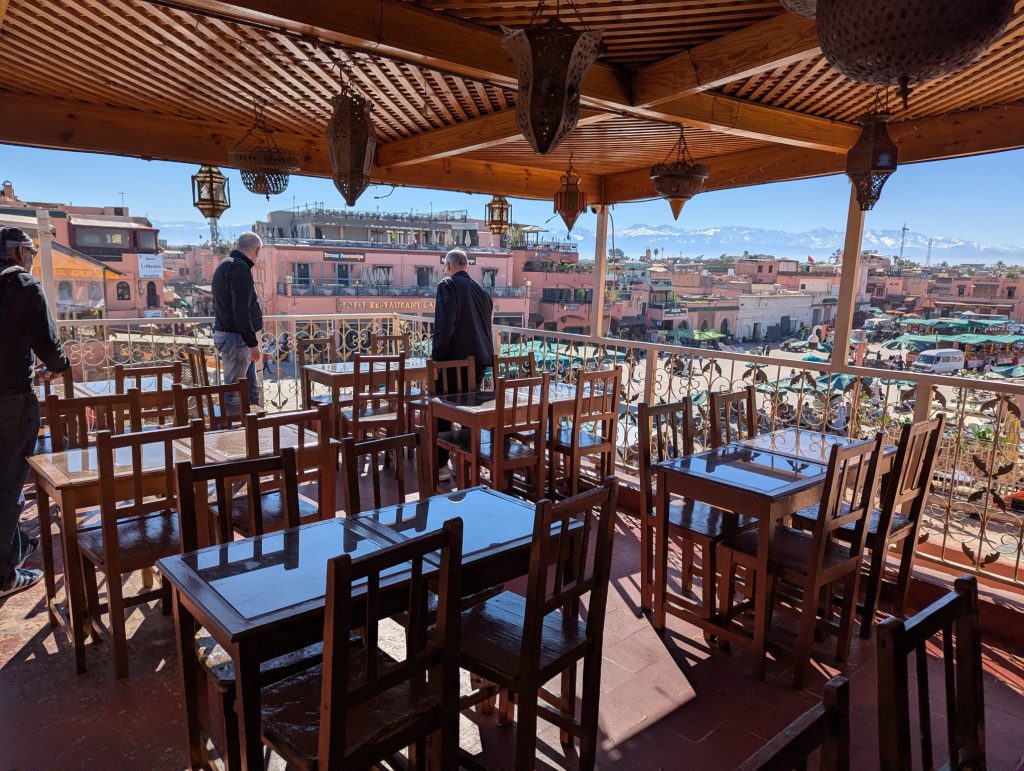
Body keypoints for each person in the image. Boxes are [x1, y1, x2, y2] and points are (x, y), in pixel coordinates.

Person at [0, 227, 71, 598]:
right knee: (9, 482)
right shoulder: (21, 284)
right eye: (32, 252)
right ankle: (4, 575)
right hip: (10, 397)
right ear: (18, 251)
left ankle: (13, 548)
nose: (31, 259)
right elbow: (48, 340)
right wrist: (59, 365)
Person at [432, 249, 493, 481]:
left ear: (448, 266)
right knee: (470, 412)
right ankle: (467, 464)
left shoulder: (447, 285)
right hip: (479, 361)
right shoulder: (482, 292)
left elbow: (444, 326)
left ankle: (441, 467)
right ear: (467, 267)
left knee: (443, 411)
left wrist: (436, 359)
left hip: (454, 362)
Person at [212, 232, 264, 412]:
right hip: (237, 340)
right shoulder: (240, 269)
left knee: (251, 391)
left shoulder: (226, 264)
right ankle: (232, 428)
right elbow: (241, 310)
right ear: (257, 250)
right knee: (234, 395)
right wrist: (252, 343)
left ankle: (254, 424)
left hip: (234, 338)